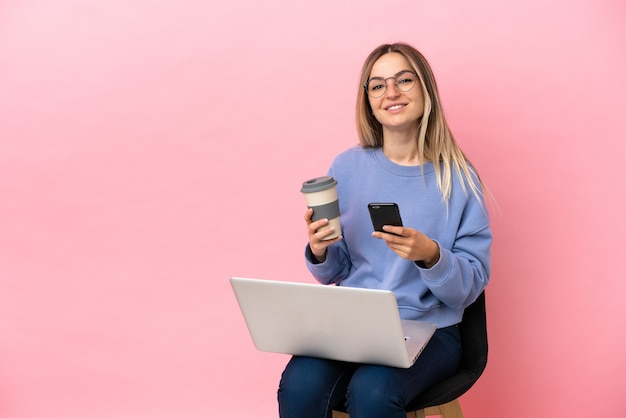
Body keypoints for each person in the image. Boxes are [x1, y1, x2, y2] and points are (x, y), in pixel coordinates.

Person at [277, 42, 492, 418]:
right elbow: (335, 272)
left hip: (429, 327)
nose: (391, 93)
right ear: (369, 100)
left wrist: (432, 256)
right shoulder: (346, 167)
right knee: (299, 386)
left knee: (373, 391)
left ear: (425, 89)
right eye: (377, 85)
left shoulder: (457, 178)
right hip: (352, 323)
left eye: (404, 80)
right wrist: (321, 249)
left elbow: (469, 288)